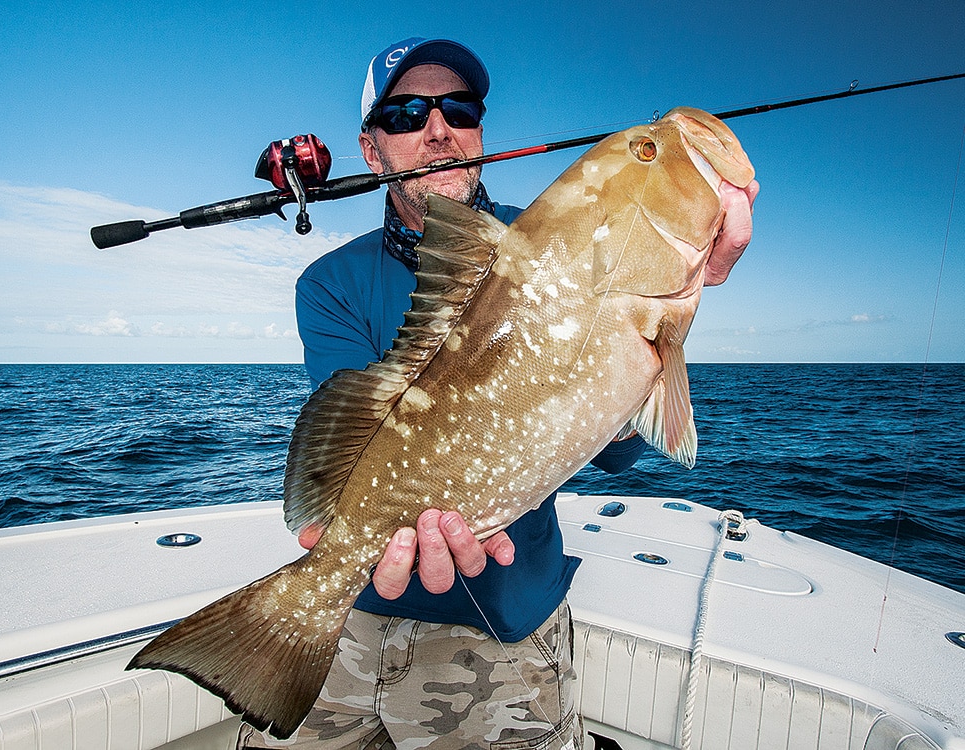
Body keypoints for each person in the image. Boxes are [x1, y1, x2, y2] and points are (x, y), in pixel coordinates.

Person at [239, 38, 758, 750]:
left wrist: (667, 318)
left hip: (503, 623)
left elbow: (618, 460)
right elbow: (350, 426)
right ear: (371, 148)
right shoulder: (330, 283)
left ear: (480, 131)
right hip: (354, 612)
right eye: (407, 114)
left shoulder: (545, 232)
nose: (438, 129)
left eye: (459, 109)